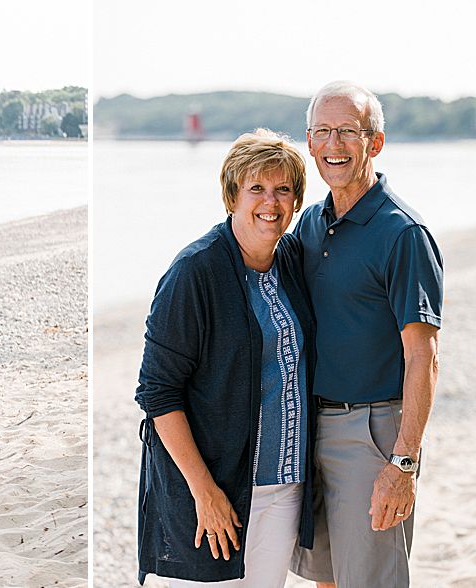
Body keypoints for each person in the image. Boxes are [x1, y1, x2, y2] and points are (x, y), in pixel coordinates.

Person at [135, 130, 316, 587]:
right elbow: (158, 393)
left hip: (283, 487)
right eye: (256, 188)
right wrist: (205, 492)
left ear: (296, 201)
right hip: (214, 489)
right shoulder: (194, 272)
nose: (269, 202)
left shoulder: (291, 260)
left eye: (283, 190)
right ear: (232, 195)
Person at [290, 81, 442, 588]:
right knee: (328, 580)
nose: (334, 145)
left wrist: (403, 463)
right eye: (323, 132)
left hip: (372, 433)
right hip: (311, 428)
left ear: (374, 143)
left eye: (348, 132)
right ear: (309, 143)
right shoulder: (309, 225)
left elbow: (424, 357)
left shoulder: (403, 235)